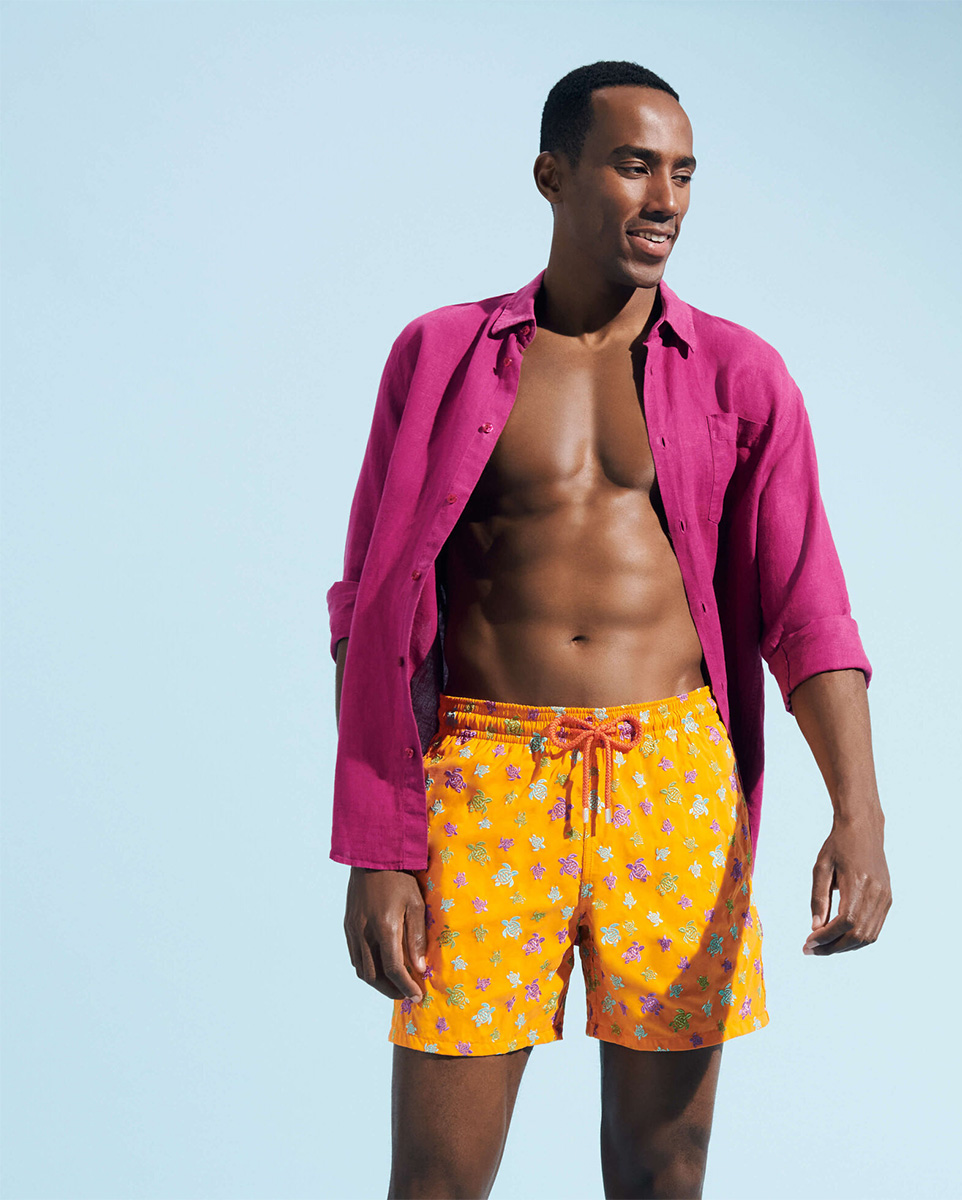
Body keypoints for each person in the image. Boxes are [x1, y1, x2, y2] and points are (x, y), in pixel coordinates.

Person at [328, 59, 891, 1200]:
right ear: (553, 175)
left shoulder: (742, 374)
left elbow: (808, 610)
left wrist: (859, 814)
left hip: (672, 781)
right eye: (636, 166)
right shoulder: (438, 356)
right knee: (436, 1177)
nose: (665, 199)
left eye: (683, 173)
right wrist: (379, 845)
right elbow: (371, 612)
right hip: (485, 779)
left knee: (661, 1165)